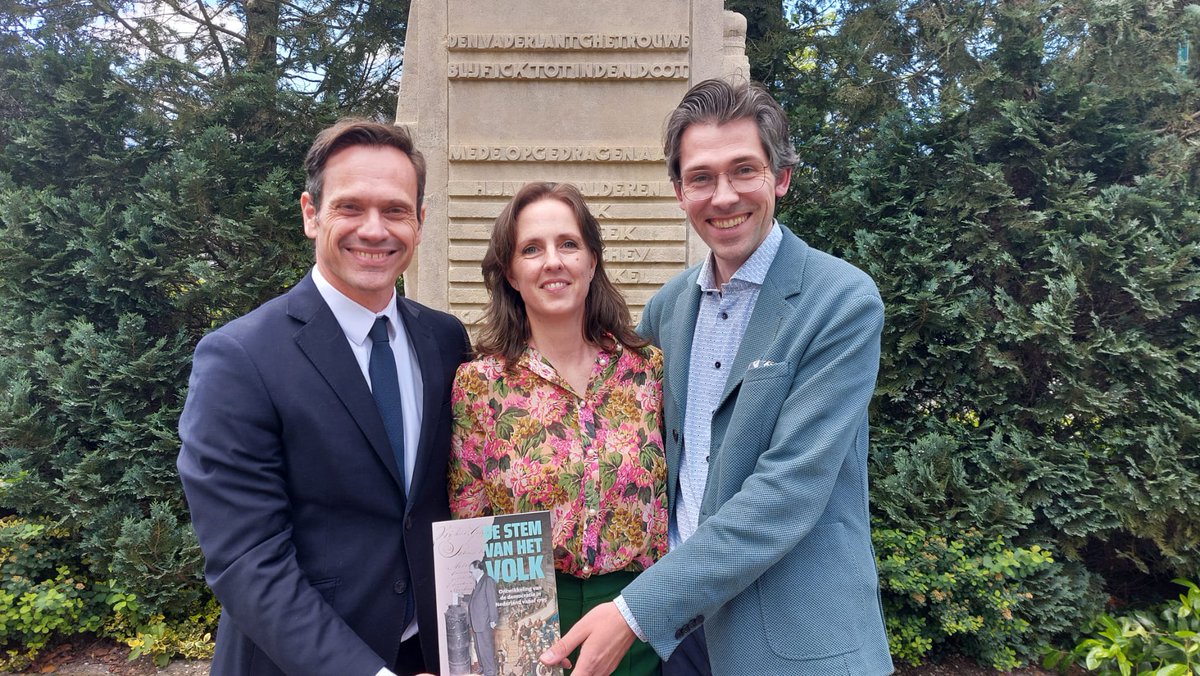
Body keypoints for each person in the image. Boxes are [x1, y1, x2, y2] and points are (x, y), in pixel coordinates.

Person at [540, 79, 895, 675]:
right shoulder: (668, 309)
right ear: (680, 192)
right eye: (702, 177)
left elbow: (786, 493)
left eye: (744, 171)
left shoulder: (842, 302)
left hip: (794, 643)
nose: (723, 195)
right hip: (680, 641)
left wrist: (633, 611)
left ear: (780, 178)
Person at [177, 118, 470, 675]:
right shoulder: (239, 359)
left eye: (396, 210)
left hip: (430, 655)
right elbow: (247, 560)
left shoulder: (445, 339)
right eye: (351, 207)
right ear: (311, 214)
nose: (375, 229)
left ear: (421, 221)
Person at [449, 181, 668, 675]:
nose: (553, 261)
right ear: (510, 271)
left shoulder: (647, 370)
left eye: (568, 244)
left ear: (591, 261)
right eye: (532, 249)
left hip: (634, 616)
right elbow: (469, 524)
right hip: (526, 622)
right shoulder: (479, 386)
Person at [467, 560, 500, 676]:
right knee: (478, 648)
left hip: (484, 622)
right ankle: (482, 667)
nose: (469, 574)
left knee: (486, 649)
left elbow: (492, 601)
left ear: (478, 569)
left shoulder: (488, 581)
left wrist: (493, 619)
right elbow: (475, 600)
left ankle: (490, 671)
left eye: (471, 572)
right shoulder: (478, 582)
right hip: (477, 623)